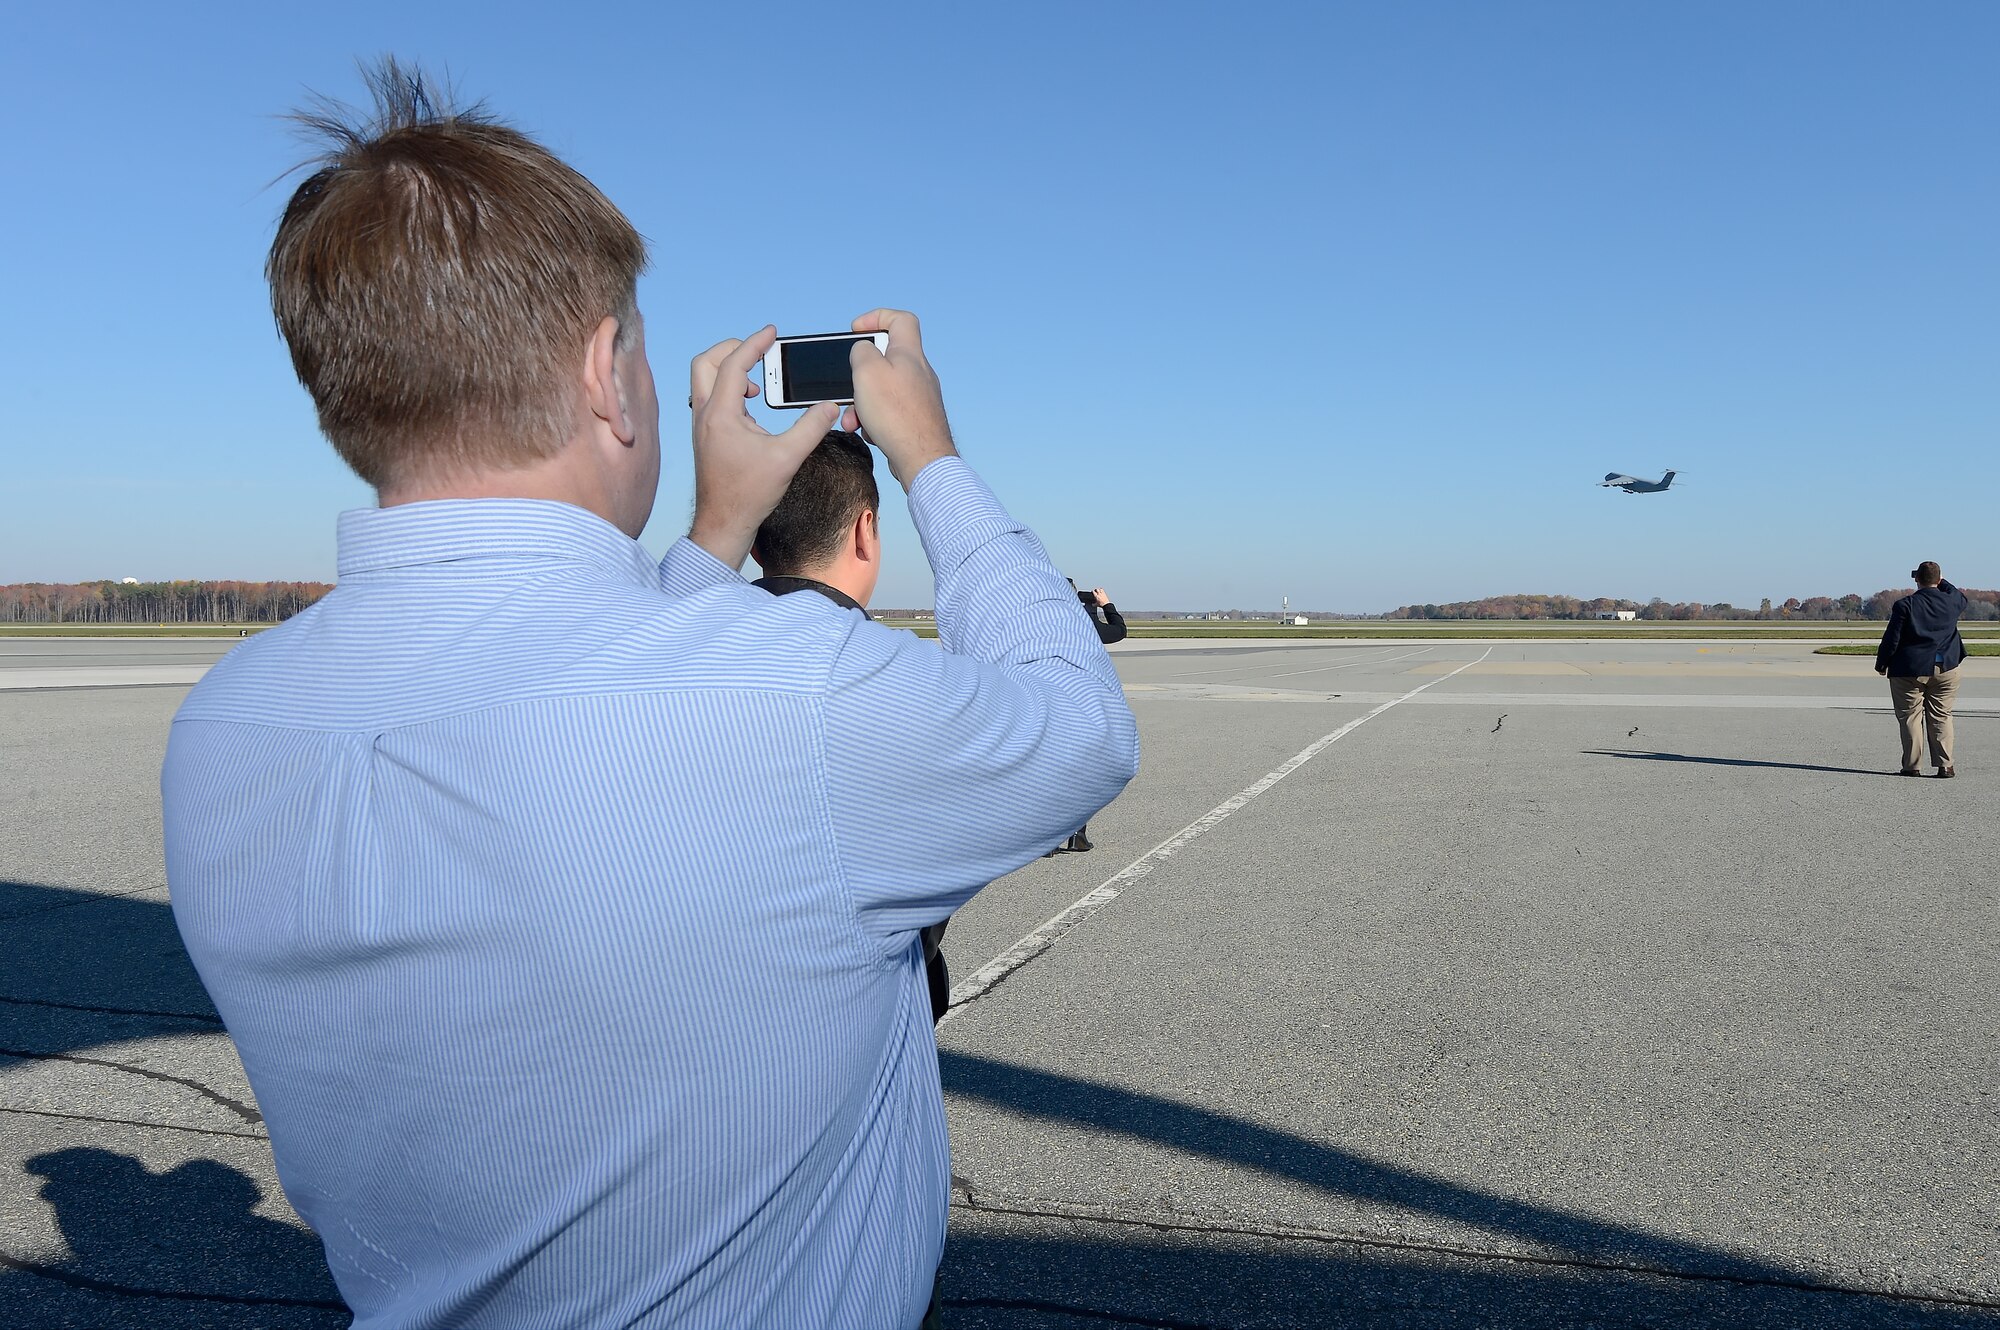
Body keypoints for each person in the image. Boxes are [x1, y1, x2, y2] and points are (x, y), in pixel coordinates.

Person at [161, 65, 1137, 1330]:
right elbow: (1076, 726)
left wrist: (713, 537)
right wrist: (928, 452)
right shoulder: (788, 690)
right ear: (604, 372)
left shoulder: (224, 722)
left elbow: (587, 690)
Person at [749, 431, 952, 1024]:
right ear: (865, 531)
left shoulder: (683, 652)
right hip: (871, 1004)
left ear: (755, 545)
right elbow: (1086, 738)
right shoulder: (906, 676)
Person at [1875, 561, 1967, 778]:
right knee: (1942, 715)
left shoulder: (1905, 605)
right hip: (1946, 667)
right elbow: (1956, 593)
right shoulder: (1952, 601)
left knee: (1910, 717)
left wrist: (1882, 663)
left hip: (1909, 669)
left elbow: (1892, 638)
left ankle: (1912, 765)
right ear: (1940, 579)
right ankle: (1945, 765)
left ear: (1917, 579)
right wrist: (1941, 580)